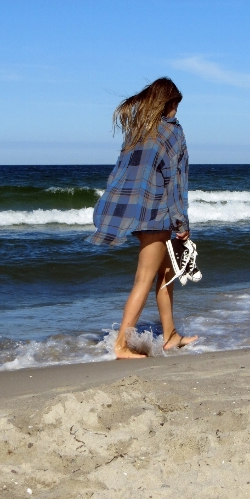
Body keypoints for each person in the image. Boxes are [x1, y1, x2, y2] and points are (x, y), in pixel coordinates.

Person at [90, 77, 197, 359]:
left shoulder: (138, 132)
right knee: (145, 277)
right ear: (168, 102)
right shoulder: (173, 132)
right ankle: (121, 345)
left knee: (165, 272)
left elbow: (119, 174)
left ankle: (171, 335)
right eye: (176, 104)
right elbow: (176, 183)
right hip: (156, 214)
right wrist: (181, 223)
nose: (177, 111)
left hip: (136, 213)